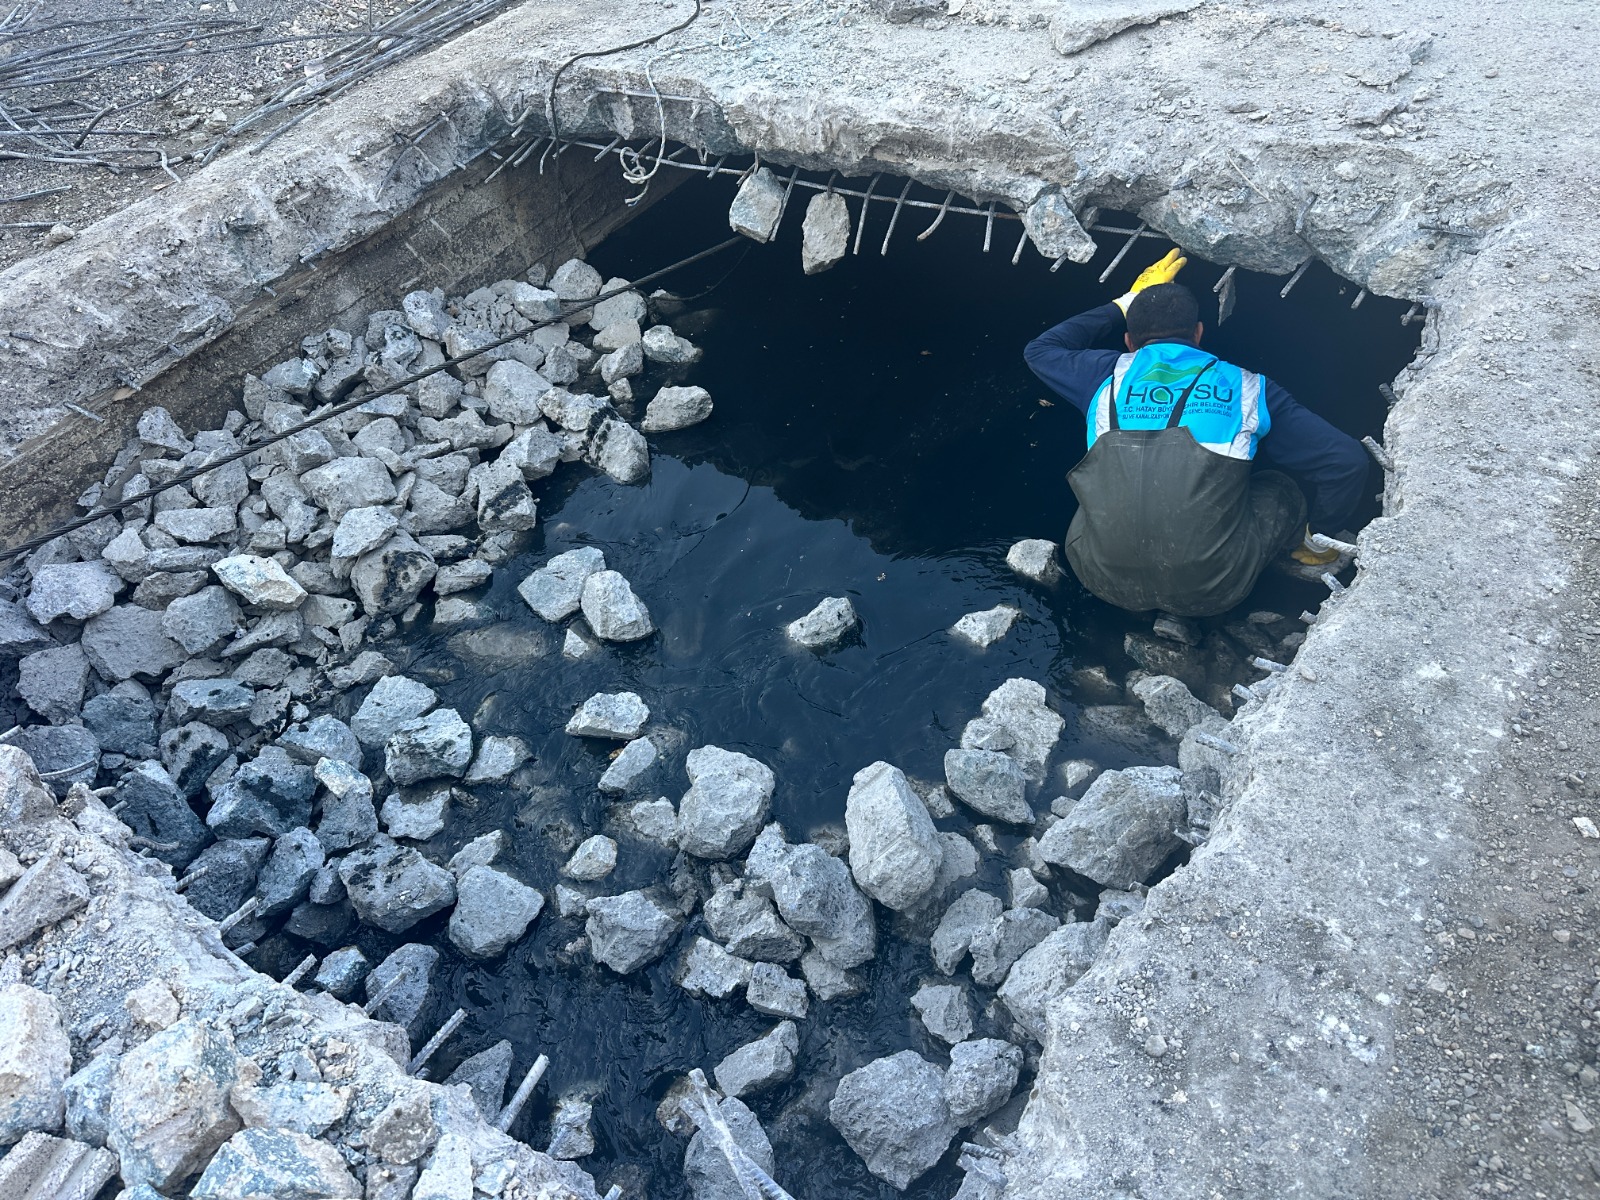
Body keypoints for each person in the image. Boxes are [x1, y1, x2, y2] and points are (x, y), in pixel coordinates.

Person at [1023, 249, 1369, 617]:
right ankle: (1313, 549)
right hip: (1215, 591)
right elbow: (1346, 461)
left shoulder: (1101, 376)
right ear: (1199, 334)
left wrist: (1124, 302)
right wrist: (1323, 536)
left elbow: (1040, 350)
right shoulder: (1249, 388)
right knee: (1280, 487)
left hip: (1099, 577)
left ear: (1128, 341)